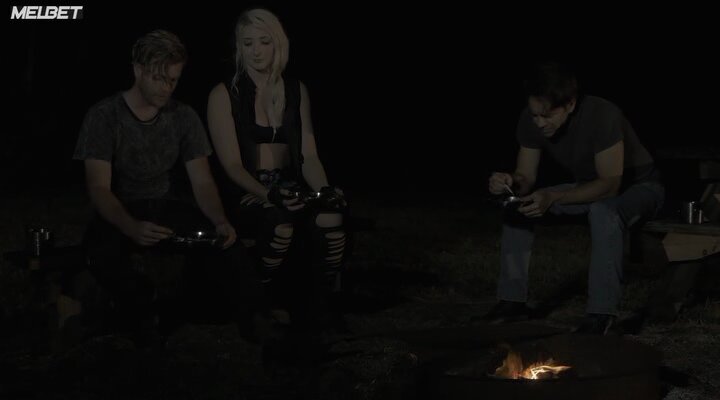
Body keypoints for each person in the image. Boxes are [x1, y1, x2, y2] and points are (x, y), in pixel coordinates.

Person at [73, 29, 264, 346]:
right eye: (159, 79)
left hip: (164, 205)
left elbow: (202, 181)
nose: (167, 88)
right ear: (138, 70)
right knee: (101, 253)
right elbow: (98, 188)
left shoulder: (183, 116)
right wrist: (130, 226)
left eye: (174, 80)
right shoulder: (104, 115)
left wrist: (219, 220)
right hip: (120, 208)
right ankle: (139, 313)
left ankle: (253, 318)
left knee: (225, 242)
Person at [483, 61, 665, 334]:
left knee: (603, 212)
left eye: (547, 116)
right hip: (589, 185)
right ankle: (512, 302)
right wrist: (509, 182)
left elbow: (610, 186)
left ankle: (600, 314)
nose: (539, 122)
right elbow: (526, 177)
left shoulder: (602, 114)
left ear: (569, 104)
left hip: (640, 187)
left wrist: (553, 196)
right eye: (535, 115)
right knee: (516, 208)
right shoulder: (532, 118)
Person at [206, 8, 347, 326]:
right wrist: (268, 193)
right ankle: (261, 298)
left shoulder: (296, 91)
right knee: (279, 221)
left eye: (264, 42)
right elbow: (231, 166)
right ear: (239, 48)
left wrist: (323, 191)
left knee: (331, 216)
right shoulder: (224, 94)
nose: (256, 51)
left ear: (278, 44)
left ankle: (321, 303)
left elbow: (309, 156)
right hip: (247, 190)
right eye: (248, 43)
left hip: (291, 186)